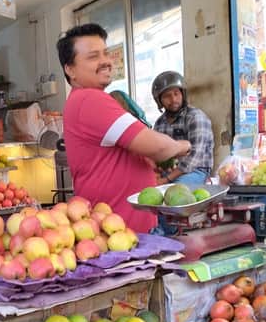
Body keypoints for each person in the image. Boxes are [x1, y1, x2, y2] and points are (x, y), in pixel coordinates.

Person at [57, 24, 190, 233]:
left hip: (118, 229)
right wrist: (182, 146)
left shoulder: (81, 101)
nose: (105, 61)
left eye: (105, 53)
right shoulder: (90, 100)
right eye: (93, 56)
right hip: (123, 232)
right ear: (70, 69)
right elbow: (158, 148)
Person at [151, 71, 214, 187]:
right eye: (167, 96)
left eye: (176, 94)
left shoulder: (195, 117)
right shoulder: (159, 123)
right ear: (159, 100)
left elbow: (194, 157)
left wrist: (166, 179)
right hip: (168, 171)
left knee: (175, 190)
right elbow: (157, 152)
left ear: (183, 94)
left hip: (195, 170)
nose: (173, 99)